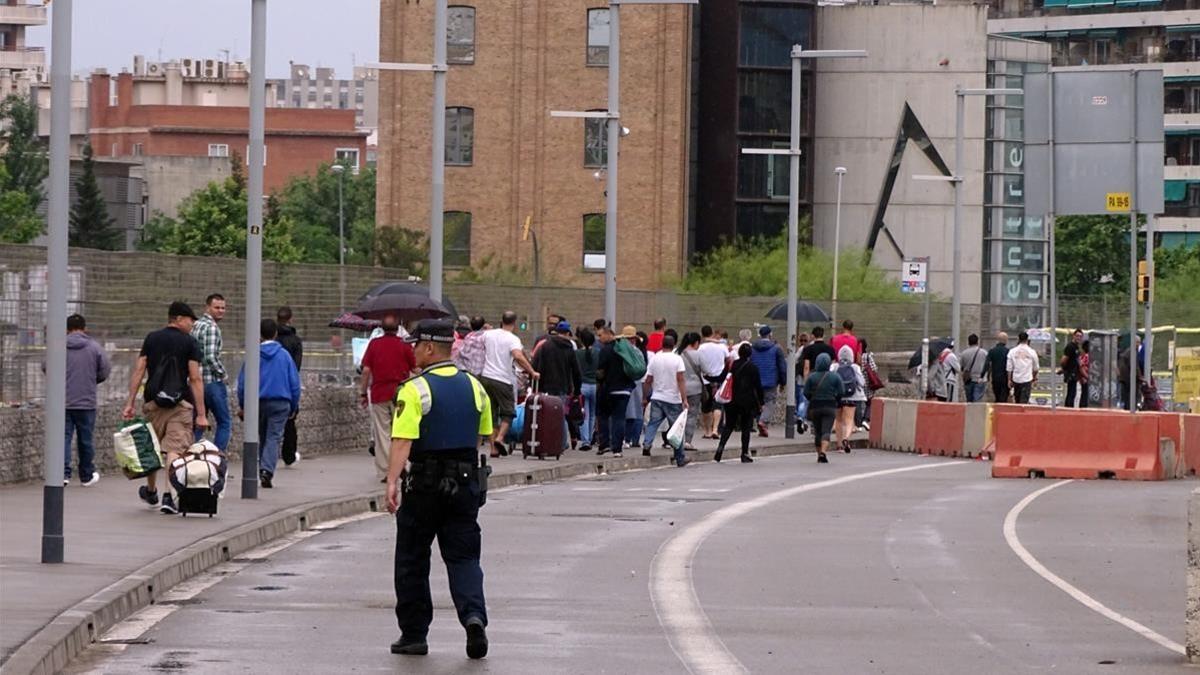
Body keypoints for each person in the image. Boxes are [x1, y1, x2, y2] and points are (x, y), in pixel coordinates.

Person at [385, 319, 492, 661]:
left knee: (413, 558)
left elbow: (403, 440)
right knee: (464, 557)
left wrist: (391, 481)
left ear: (430, 348)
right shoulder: (476, 387)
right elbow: (481, 437)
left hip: (425, 486)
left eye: (416, 345)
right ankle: (473, 617)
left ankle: (414, 634)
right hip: (464, 484)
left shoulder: (414, 389)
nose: (412, 350)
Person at [121, 301, 207, 515]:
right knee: (174, 450)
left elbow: (139, 370)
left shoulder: (152, 338)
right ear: (177, 318)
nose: (192, 324)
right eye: (190, 320)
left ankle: (151, 491)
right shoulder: (190, 343)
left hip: (153, 402)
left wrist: (130, 402)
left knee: (154, 447)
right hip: (180, 404)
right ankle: (169, 496)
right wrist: (202, 414)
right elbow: (195, 378)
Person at [237, 319, 301, 488]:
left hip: (257, 402)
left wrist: (243, 405)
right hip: (281, 402)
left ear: (260, 334)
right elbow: (294, 383)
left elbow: (242, 383)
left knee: (262, 436)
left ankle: (262, 468)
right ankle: (266, 470)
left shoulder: (253, 354)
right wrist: (293, 406)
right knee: (273, 437)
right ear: (275, 334)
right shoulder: (284, 356)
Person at [360, 313, 418, 481]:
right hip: (401, 394)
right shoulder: (404, 345)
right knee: (401, 432)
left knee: (382, 433)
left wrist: (363, 393)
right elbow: (415, 369)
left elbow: (365, 371)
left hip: (379, 393)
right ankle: (402, 465)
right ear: (398, 326)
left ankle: (386, 471)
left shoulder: (374, 344)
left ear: (382, 328)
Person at [62, 314, 111, 486]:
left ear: (67, 329)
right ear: (84, 328)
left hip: (63, 401)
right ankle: (86, 475)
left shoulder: (58, 346)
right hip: (86, 400)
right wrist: (91, 380)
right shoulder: (94, 347)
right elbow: (104, 370)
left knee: (64, 438)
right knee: (85, 439)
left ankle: (62, 474)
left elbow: (47, 366)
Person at [480, 311, 537, 456]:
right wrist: (531, 371)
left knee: (491, 414)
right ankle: (500, 438)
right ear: (514, 323)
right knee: (509, 412)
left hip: (486, 377)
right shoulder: (513, 339)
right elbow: (518, 355)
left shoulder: (489, 334)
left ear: (502, 320)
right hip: (502, 379)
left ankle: (493, 449)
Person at [531, 320, 582, 449]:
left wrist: (536, 385)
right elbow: (576, 371)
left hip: (546, 386)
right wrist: (577, 389)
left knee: (546, 414)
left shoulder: (546, 346)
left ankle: (548, 440)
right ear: (568, 333)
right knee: (561, 415)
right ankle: (562, 442)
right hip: (563, 386)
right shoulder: (569, 348)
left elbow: (538, 365)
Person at [190, 293, 231, 451]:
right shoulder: (212, 328)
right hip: (211, 381)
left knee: (199, 421)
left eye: (223, 308)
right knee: (224, 422)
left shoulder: (196, 325)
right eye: (217, 307)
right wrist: (223, 374)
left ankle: (192, 457)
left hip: (196, 381)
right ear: (207, 307)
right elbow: (210, 356)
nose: (221, 311)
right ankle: (217, 459)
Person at [641, 335, 691, 467]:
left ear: (662, 344)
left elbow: (648, 380)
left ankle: (647, 444)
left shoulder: (655, 358)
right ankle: (679, 457)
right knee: (676, 429)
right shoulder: (677, 359)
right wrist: (684, 398)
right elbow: (680, 379)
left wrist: (645, 396)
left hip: (657, 397)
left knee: (653, 423)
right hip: (673, 399)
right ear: (674, 344)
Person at [714, 343, 763, 464]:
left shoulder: (732, 365)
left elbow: (721, 377)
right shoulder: (753, 368)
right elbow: (758, 387)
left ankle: (720, 448)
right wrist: (761, 402)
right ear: (750, 354)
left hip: (731, 400)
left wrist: (708, 377)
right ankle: (744, 453)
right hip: (747, 401)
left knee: (729, 426)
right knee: (746, 427)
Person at [596, 325, 637, 457]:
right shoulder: (626, 350)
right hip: (625, 389)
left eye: (601, 335)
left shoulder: (606, 350)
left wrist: (600, 381)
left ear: (609, 334)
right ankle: (617, 449)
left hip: (609, 389)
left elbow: (600, 372)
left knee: (603, 415)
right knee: (619, 418)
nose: (599, 338)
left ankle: (604, 444)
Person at [276, 306, 304, 467]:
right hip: (287, 386)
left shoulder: (271, 339)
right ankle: (289, 455)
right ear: (291, 319)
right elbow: (296, 366)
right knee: (290, 422)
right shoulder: (295, 341)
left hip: (268, 385)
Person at [804, 353, 842, 464]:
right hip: (830, 406)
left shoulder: (812, 377)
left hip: (815, 407)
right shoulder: (835, 376)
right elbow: (841, 391)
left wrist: (812, 397)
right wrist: (835, 398)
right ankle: (823, 452)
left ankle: (818, 453)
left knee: (817, 431)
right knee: (826, 430)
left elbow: (805, 392)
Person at [750, 325, 787, 437]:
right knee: (770, 402)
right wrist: (783, 382)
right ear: (770, 334)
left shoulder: (752, 348)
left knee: (757, 403)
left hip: (755, 381)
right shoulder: (776, 348)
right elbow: (782, 367)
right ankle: (763, 421)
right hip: (771, 380)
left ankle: (761, 425)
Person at [831, 345, 865, 453]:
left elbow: (830, 379)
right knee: (849, 420)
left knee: (839, 420)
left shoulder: (834, 366)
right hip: (851, 396)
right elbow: (862, 382)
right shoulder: (855, 367)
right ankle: (846, 438)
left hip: (838, 396)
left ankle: (839, 445)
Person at [696, 325, 728, 439]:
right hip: (719, 379)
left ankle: (707, 431)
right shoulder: (722, 347)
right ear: (712, 333)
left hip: (705, 380)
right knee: (718, 405)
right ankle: (715, 429)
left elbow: (697, 363)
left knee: (706, 406)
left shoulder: (700, 348)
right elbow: (728, 359)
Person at [677, 332, 704, 451]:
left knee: (678, 415)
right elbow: (707, 370)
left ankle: (675, 440)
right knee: (691, 415)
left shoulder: (677, 353)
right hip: (695, 389)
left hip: (679, 388)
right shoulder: (699, 355)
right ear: (696, 342)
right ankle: (687, 441)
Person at [576, 328, 599, 451]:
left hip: (582, 385)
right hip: (595, 385)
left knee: (583, 414)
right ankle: (589, 438)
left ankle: (585, 441)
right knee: (593, 415)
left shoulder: (577, 354)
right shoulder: (598, 353)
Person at [1007, 331, 1039, 404]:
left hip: (1016, 379)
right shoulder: (1032, 352)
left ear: (1018, 339)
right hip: (1027, 379)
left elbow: (1009, 368)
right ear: (1027, 340)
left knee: (1017, 400)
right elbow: (1036, 368)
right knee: (1024, 401)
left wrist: (1009, 379)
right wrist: (1033, 378)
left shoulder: (1012, 351)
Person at [958, 334, 987, 403]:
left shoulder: (964, 353)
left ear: (968, 342)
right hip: (980, 379)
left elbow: (961, 367)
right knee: (977, 400)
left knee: (969, 400)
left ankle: (970, 412)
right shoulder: (984, 353)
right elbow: (987, 366)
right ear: (977, 342)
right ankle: (976, 413)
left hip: (968, 380)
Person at [858, 338, 878, 429]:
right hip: (867, 383)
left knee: (859, 402)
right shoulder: (867, 356)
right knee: (869, 402)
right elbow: (874, 369)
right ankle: (865, 420)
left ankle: (858, 421)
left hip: (858, 383)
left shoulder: (855, 356)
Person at [1060, 328, 1084, 408]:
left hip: (1075, 372)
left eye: (1080, 336)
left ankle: (1070, 407)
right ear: (1073, 336)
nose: (1078, 338)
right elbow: (1064, 360)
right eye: (1077, 336)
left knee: (1073, 392)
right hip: (1070, 373)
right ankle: (1068, 408)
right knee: (1071, 392)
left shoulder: (1077, 347)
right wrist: (1064, 369)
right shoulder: (1070, 346)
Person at [986, 332, 1011, 403]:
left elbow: (987, 364)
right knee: (1004, 397)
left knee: (997, 396)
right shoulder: (1008, 352)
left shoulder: (992, 351)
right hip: (1005, 378)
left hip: (995, 378)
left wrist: (986, 376)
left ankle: (997, 410)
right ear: (1006, 340)